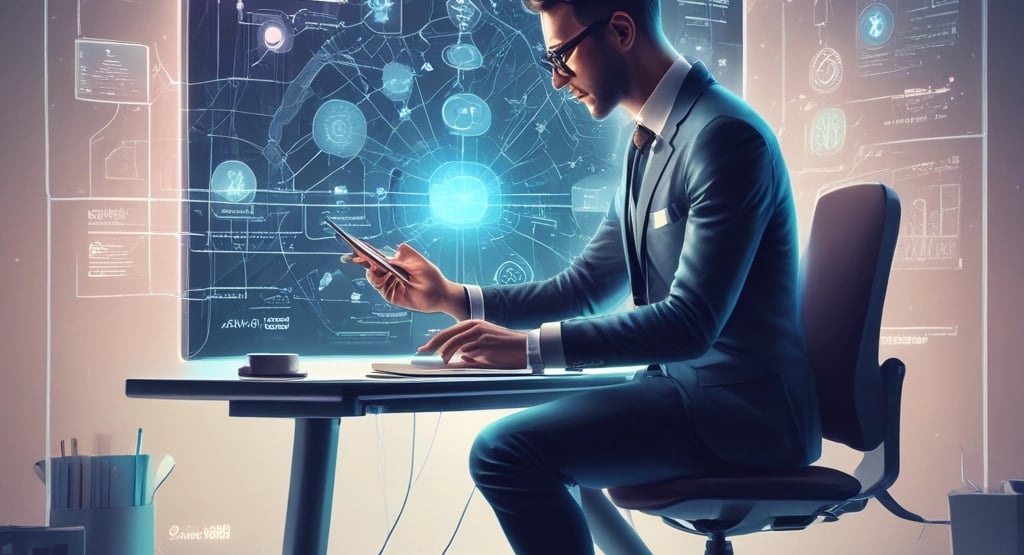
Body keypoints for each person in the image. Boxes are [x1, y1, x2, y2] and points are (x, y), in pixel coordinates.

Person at [343, 0, 822, 552]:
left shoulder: (724, 137)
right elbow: (587, 286)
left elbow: (690, 324)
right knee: (541, 448)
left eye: (562, 56)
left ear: (620, 30)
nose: (556, 80)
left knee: (505, 453)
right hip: (684, 393)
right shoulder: (648, 143)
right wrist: (453, 298)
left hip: (743, 419)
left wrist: (528, 349)